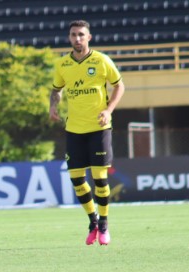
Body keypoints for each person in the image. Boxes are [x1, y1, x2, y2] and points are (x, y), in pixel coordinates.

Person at [49, 20, 125, 246]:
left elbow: (119, 85)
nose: (77, 39)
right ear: (69, 37)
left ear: (89, 37)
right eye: (73, 35)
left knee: (100, 179)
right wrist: (53, 105)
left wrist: (108, 110)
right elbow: (56, 89)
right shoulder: (62, 64)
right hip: (74, 129)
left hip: (99, 128)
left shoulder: (101, 60)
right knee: (77, 180)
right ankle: (93, 221)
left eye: (81, 34)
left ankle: (104, 224)